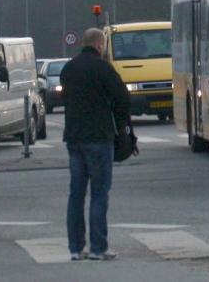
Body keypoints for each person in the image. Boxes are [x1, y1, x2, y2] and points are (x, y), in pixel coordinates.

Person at [60, 28, 130, 261]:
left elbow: (64, 98)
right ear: (100, 45)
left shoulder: (68, 69)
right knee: (99, 194)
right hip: (99, 138)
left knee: (76, 194)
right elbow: (122, 97)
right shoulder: (103, 68)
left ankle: (75, 248)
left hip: (74, 138)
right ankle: (98, 248)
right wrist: (121, 127)